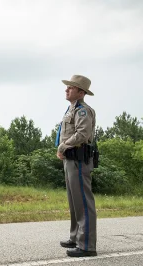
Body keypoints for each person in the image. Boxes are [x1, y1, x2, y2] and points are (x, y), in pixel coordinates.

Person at [55, 75, 97, 257]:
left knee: (83, 203)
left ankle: (87, 245)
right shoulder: (71, 109)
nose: (66, 89)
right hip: (70, 160)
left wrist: (63, 146)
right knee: (74, 202)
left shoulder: (83, 111)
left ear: (81, 92)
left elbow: (82, 134)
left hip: (79, 160)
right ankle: (76, 238)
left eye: (71, 87)